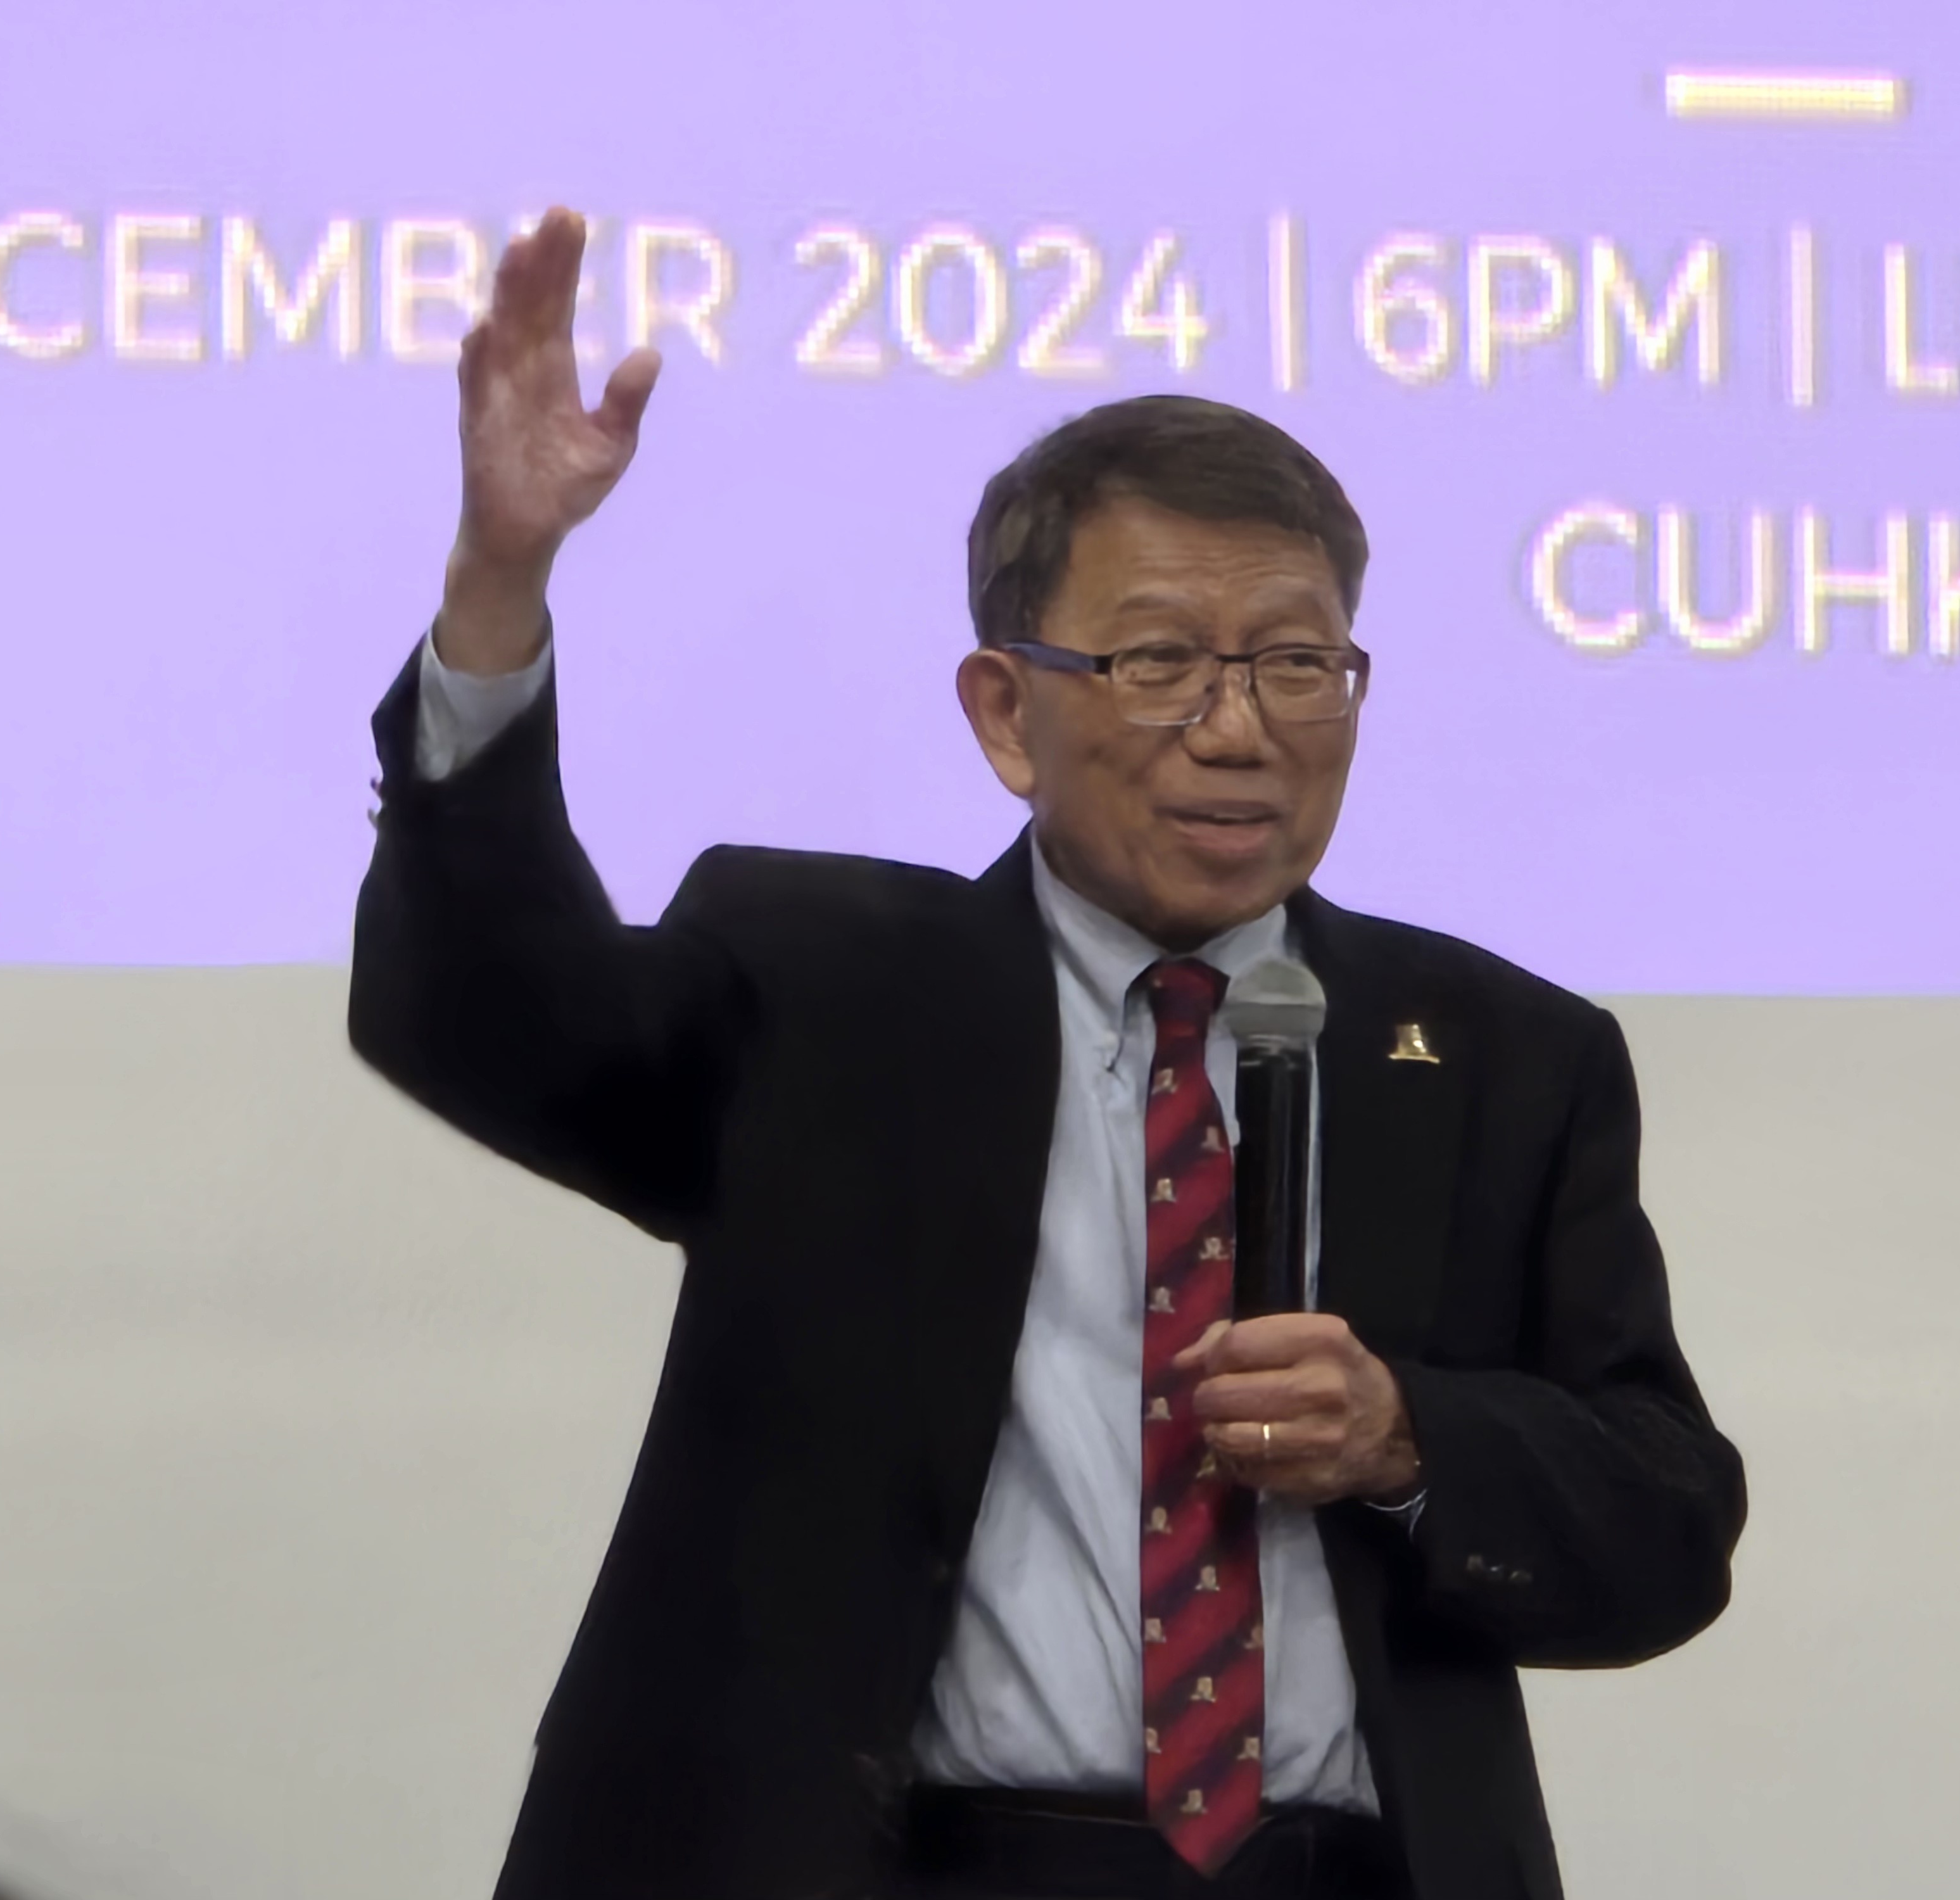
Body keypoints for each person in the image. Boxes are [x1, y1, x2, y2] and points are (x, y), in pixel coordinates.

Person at [350, 207, 1745, 1900]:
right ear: (1008, 713)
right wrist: (498, 590)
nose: (1238, 729)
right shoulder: (827, 986)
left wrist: (1407, 1437)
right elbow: (490, 1018)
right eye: (1162, 662)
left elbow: (1666, 1520)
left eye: (1297, 663)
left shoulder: (1506, 1056)